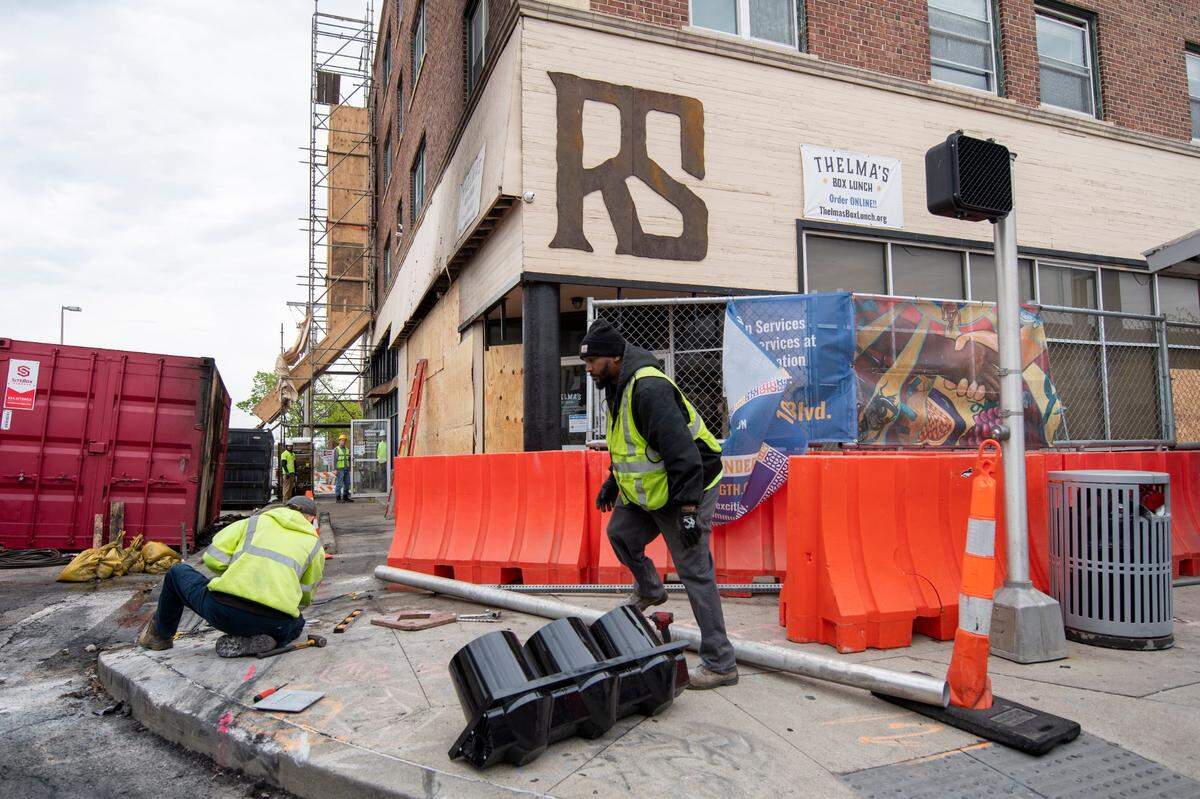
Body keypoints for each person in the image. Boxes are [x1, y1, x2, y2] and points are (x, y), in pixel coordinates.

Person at [582, 320, 737, 690]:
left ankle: (720, 663)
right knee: (620, 533)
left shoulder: (648, 389)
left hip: (689, 484)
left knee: (694, 571)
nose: (588, 369)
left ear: (615, 358)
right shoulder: (615, 385)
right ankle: (651, 588)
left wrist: (687, 512)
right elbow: (630, 443)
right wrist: (612, 481)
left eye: (593, 361)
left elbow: (685, 457)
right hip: (652, 489)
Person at [136, 496, 325, 657]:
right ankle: (266, 640)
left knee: (177, 573)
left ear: (284, 509)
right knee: (297, 623)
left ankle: (159, 637)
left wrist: (238, 572)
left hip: (225, 612)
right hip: (273, 622)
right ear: (311, 518)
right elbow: (306, 594)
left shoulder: (253, 522)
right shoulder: (314, 545)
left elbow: (211, 558)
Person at [334, 434, 352, 503]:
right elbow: (334, 460)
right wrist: (335, 469)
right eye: (342, 440)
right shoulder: (337, 449)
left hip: (346, 469)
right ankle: (338, 498)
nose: (343, 442)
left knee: (347, 483)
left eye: (344, 440)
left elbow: (349, 459)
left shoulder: (347, 449)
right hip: (339, 469)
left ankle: (345, 497)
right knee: (339, 483)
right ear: (339, 441)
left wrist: (350, 468)